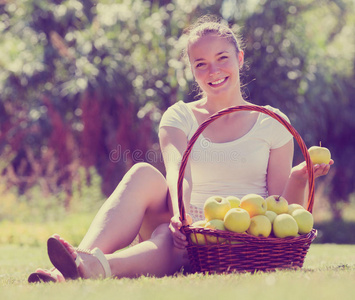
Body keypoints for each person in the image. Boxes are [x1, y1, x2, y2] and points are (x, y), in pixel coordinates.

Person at [28, 15, 334, 283]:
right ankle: (78, 259)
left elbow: (278, 205)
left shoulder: (272, 122)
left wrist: (300, 177)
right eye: (201, 64)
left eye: (222, 58)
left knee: (166, 238)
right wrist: (182, 217)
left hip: (236, 232)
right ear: (192, 69)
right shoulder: (179, 117)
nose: (213, 70)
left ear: (239, 58)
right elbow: (178, 171)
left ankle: (83, 270)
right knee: (144, 174)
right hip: (183, 217)